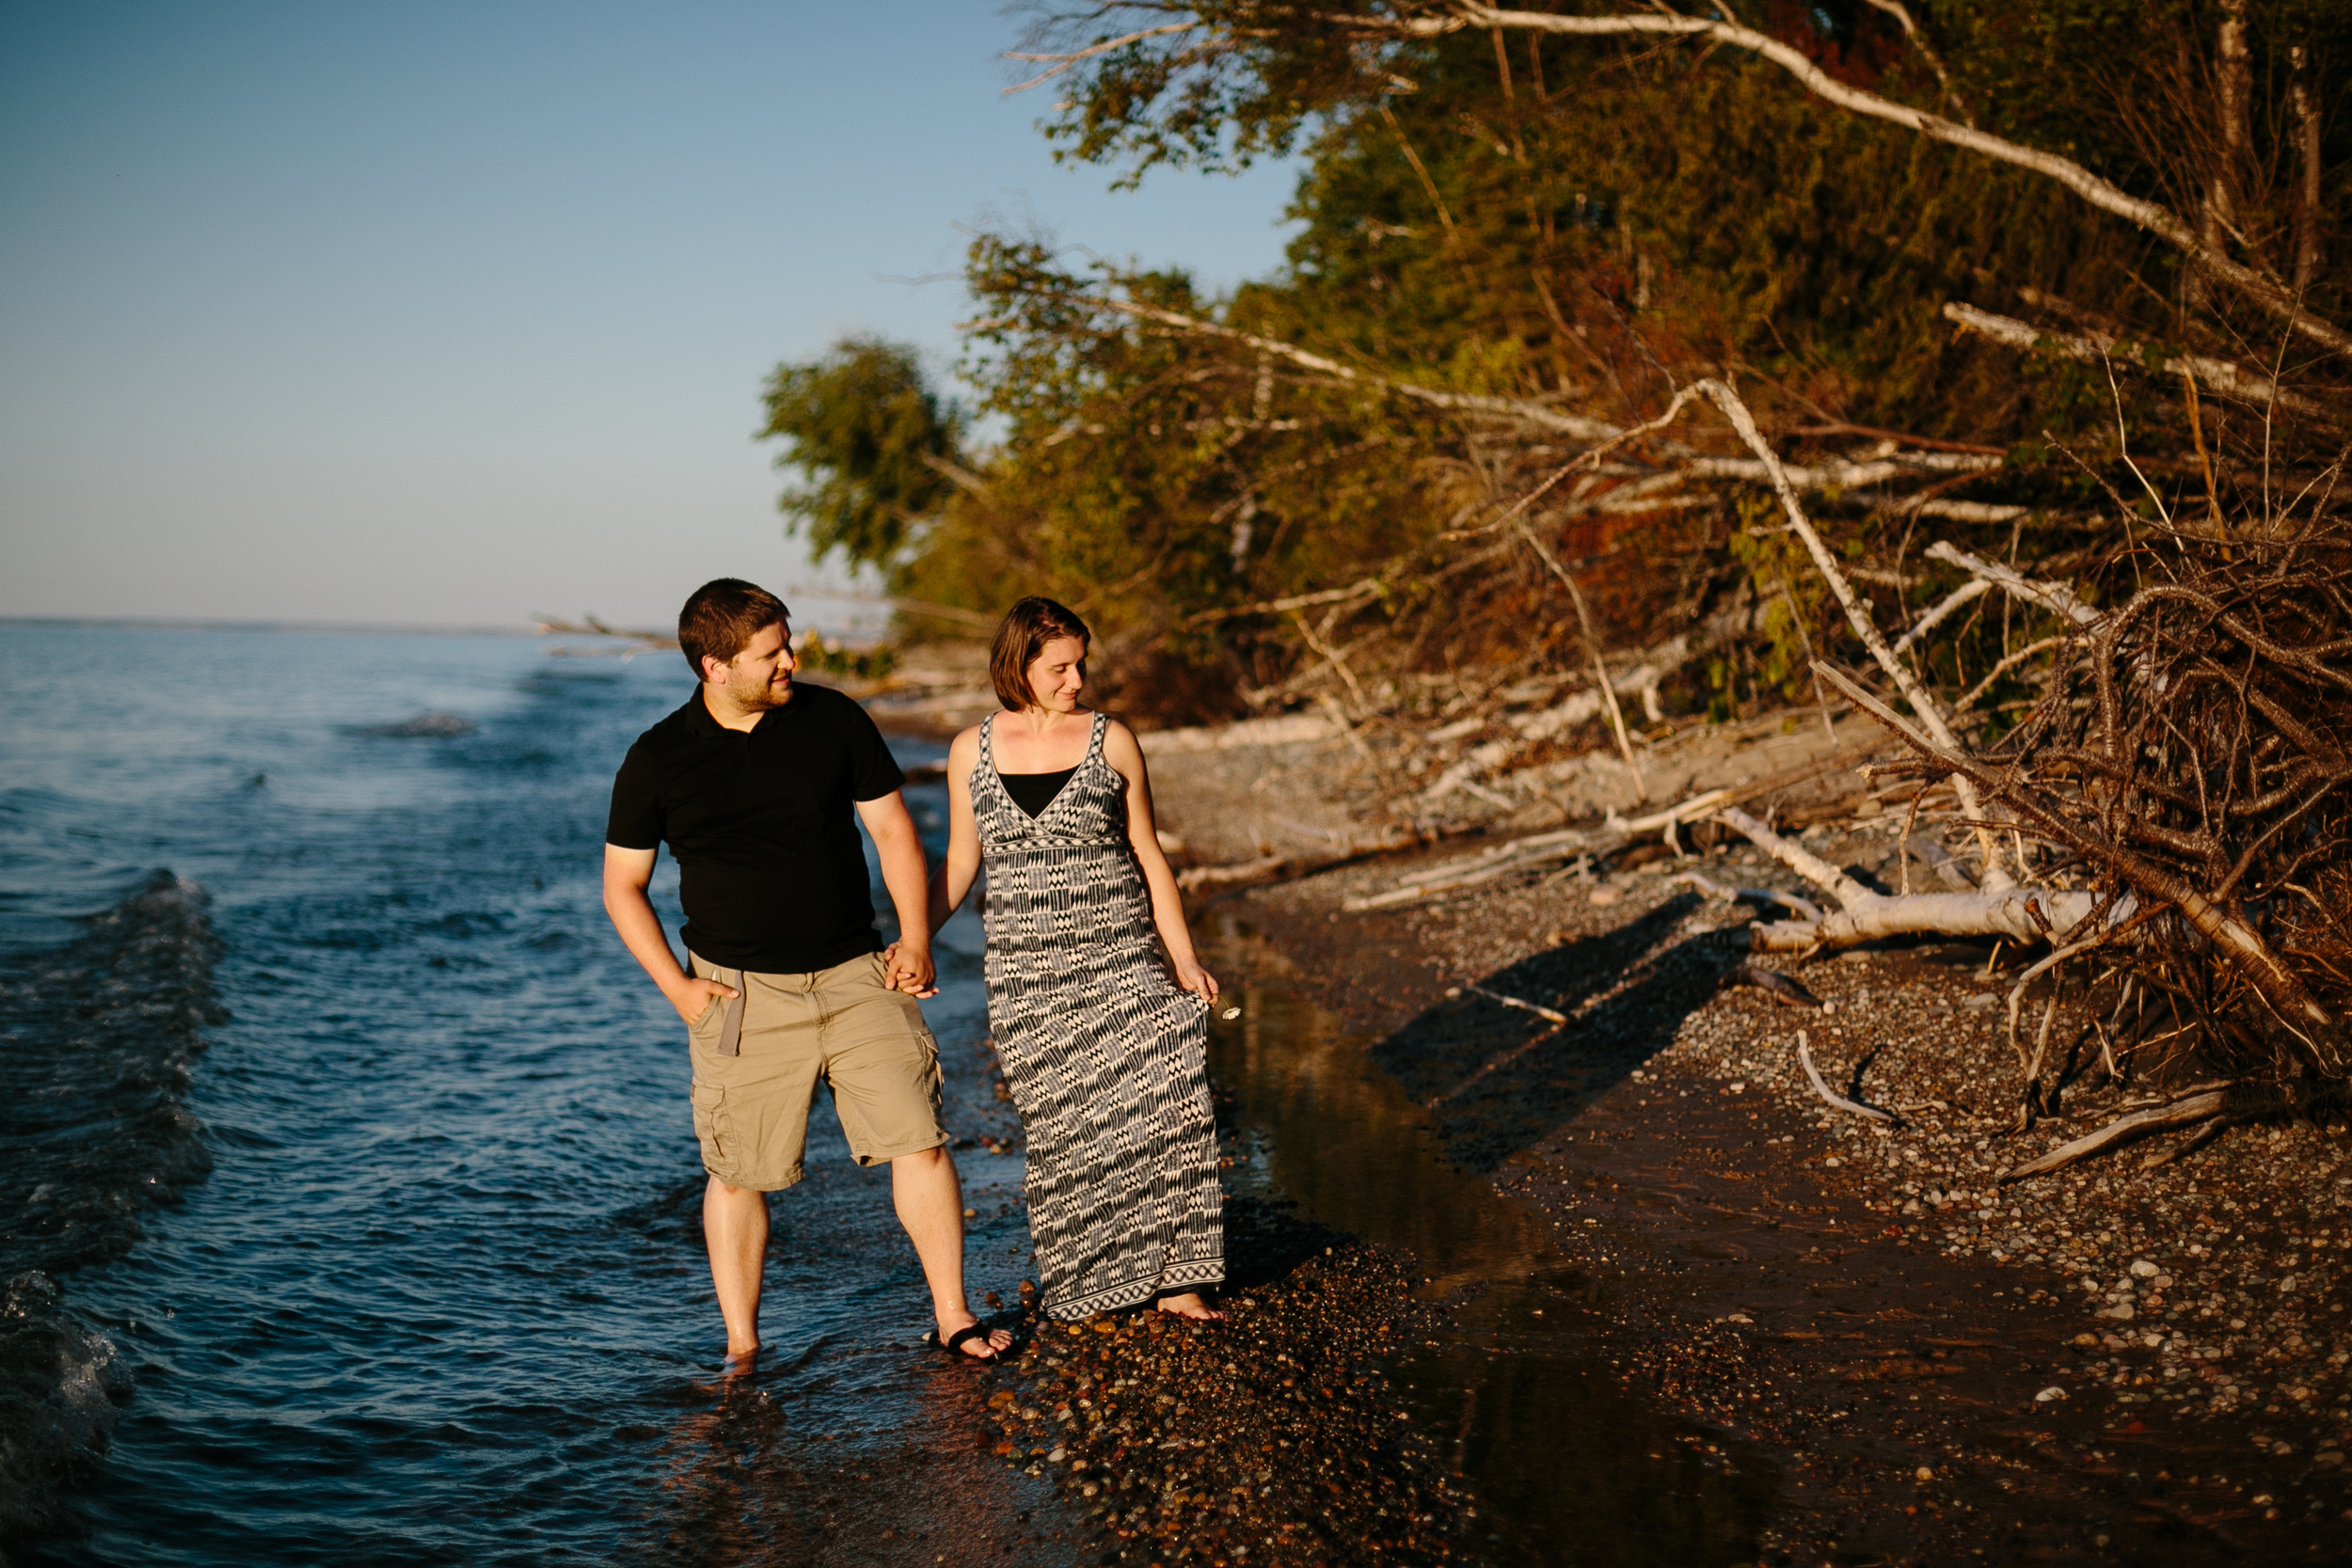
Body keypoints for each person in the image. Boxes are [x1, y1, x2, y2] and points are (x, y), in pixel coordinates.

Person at [601, 578, 1010, 1372]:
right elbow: (622, 888)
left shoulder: (833, 720)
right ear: (715, 666)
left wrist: (916, 936)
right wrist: (679, 989)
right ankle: (743, 1347)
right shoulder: (657, 759)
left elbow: (893, 831)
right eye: (771, 652)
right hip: (737, 996)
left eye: (788, 642)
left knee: (918, 1140)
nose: (791, 660)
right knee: (736, 1173)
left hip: (860, 973)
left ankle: (952, 1313)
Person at [922, 595, 1226, 1323]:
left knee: (1166, 1102)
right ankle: (1093, 1281)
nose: (1076, 679)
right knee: (1067, 1128)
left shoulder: (1112, 739)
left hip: (1121, 954)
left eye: (1081, 664)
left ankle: (1179, 1278)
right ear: (1019, 665)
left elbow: (1148, 854)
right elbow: (962, 860)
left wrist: (1183, 958)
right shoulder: (974, 748)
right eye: (1059, 666)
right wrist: (915, 938)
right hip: (1028, 975)